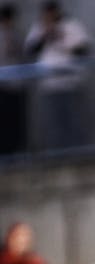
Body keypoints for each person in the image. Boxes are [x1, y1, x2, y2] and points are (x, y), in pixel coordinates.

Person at [24, 1, 91, 150]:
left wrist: (61, 38)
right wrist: (45, 36)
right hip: (50, 84)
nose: (49, 16)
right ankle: (57, 153)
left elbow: (83, 50)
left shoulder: (71, 25)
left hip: (71, 82)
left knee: (74, 119)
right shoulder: (39, 27)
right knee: (54, 122)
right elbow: (30, 50)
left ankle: (79, 152)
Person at [0, 3, 27, 154]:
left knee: (17, 120)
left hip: (17, 85)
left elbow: (23, 55)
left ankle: (17, 150)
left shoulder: (17, 35)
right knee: (5, 121)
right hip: (3, 86)